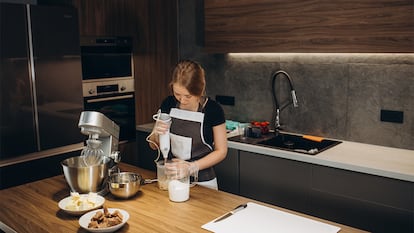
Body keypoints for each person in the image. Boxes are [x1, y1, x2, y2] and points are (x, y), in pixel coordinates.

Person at [148, 60, 228, 190]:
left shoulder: (213, 110)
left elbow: (221, 151)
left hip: (204, 183)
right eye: (177, 94)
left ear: (200, 90)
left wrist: (192, 167)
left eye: (188, 96)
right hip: (172, 180)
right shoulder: (168, 104)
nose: (182, 100)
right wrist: (156, 132)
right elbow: (152, 145)